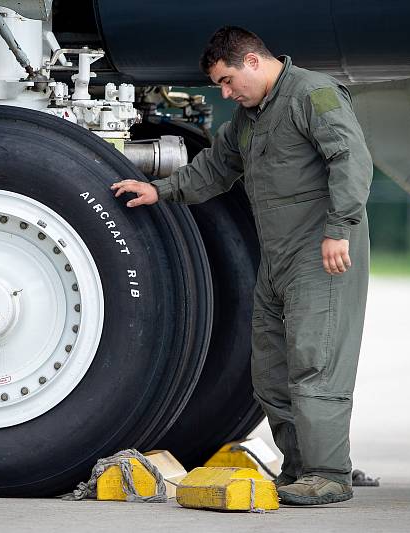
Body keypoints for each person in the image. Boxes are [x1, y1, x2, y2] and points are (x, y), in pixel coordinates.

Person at [110, 26, 372, 506]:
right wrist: (159, 191)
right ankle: (298, 471)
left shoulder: (311, 94)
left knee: (317, 365)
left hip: (321, 255)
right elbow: (214, 168)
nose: (226, 93)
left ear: (252, 61)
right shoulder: (250, 118)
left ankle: (329, 473)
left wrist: (340, 229)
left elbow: (351, 160)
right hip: (275, 260)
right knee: (271, 371)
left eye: (228, 81)